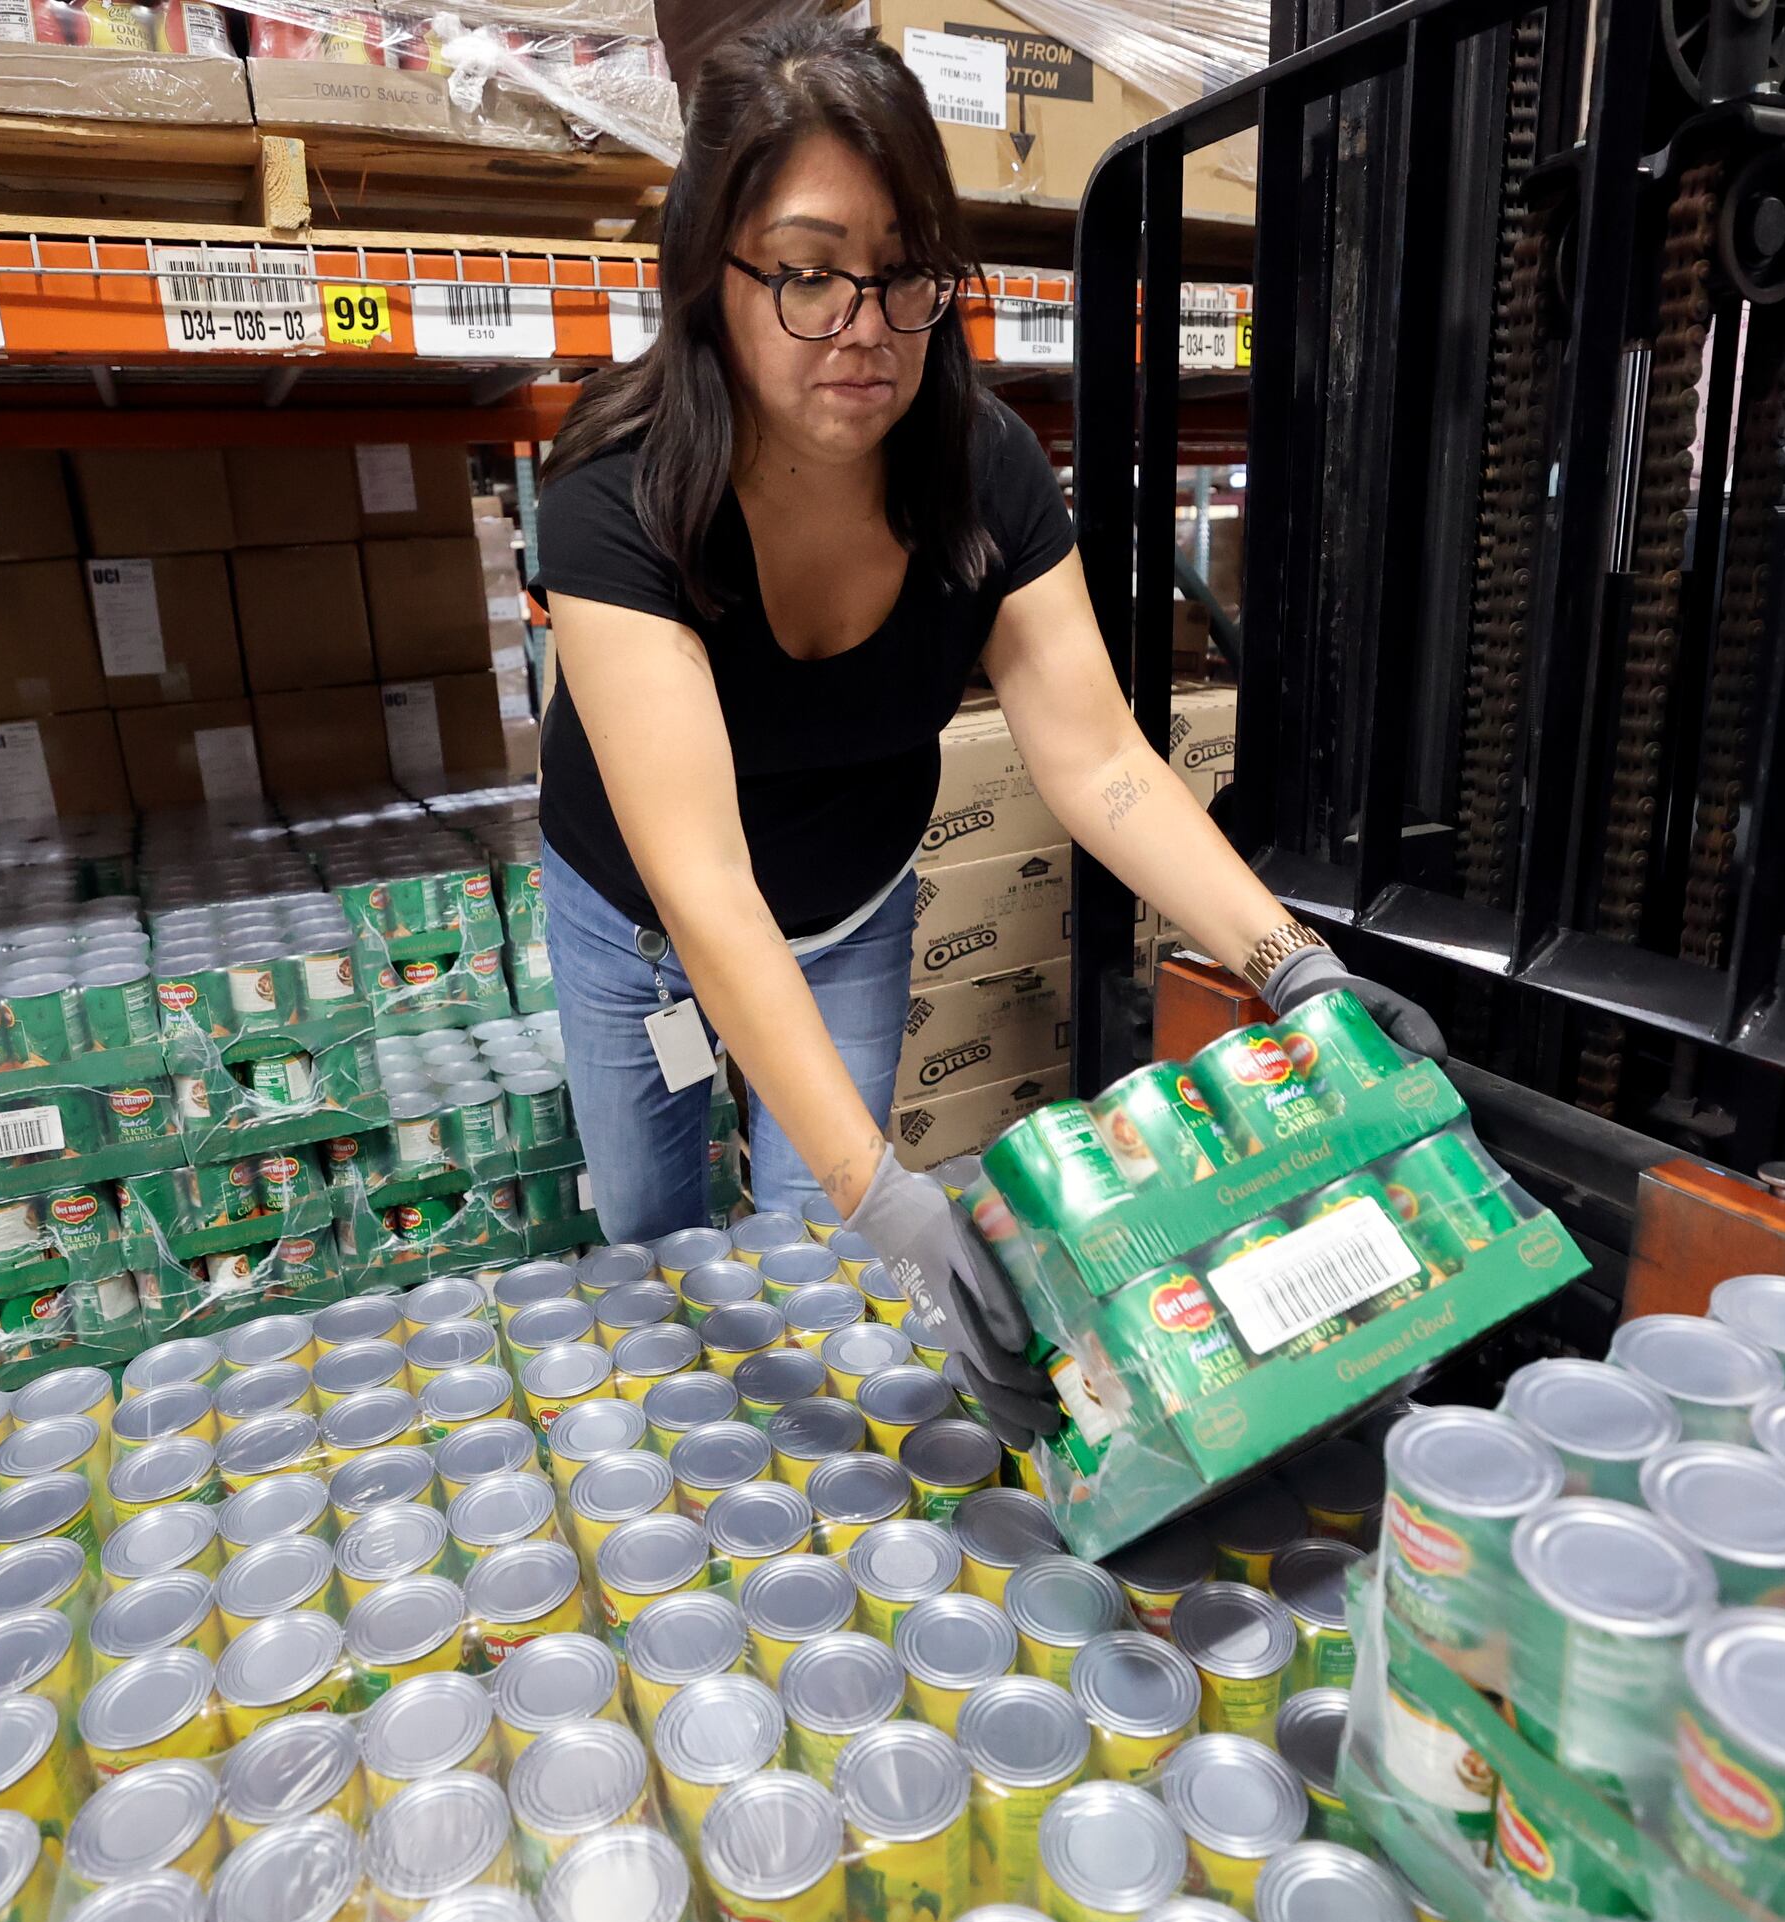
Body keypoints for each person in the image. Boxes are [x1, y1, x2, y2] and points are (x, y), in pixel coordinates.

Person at [531, 20, 1444, 1444]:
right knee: (654, 1237)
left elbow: (1101, 762)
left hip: (850, 902)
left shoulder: (981, 468)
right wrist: (896, 1196)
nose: (868, 325)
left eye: (904, 272)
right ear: (713, 269)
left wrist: (1296, 967)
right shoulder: (614, 491)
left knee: (814, 1251)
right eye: (811, 270)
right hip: (638, 924)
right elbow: (704, 884)